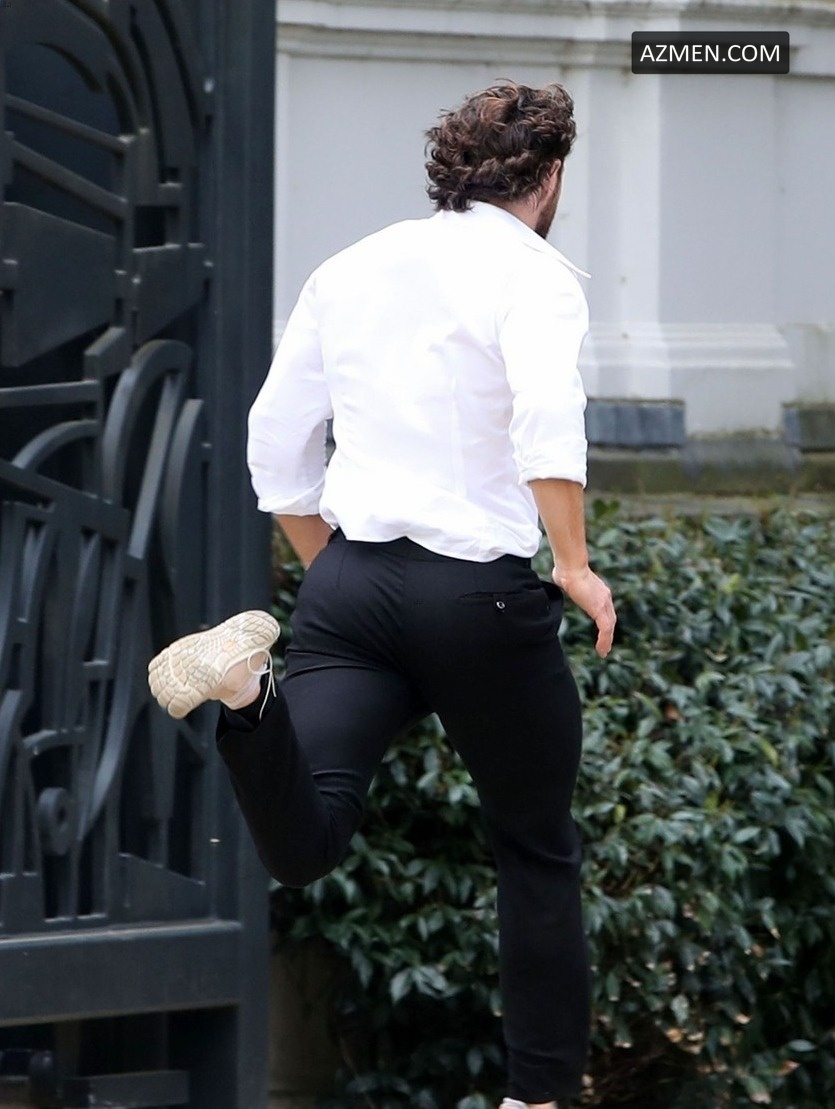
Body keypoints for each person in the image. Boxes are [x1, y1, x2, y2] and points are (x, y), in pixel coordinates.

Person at [148, 80, 616, 1109]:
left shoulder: (351, 266)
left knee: (306, 842)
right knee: (534, 846)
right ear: (548, 178)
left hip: (350, 584)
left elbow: (276, 444)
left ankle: (245, 696)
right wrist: (573, 563)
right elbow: (546, 417)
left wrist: (333, 568)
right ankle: (533, 1098)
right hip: (481, 598)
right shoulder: (534, 276)